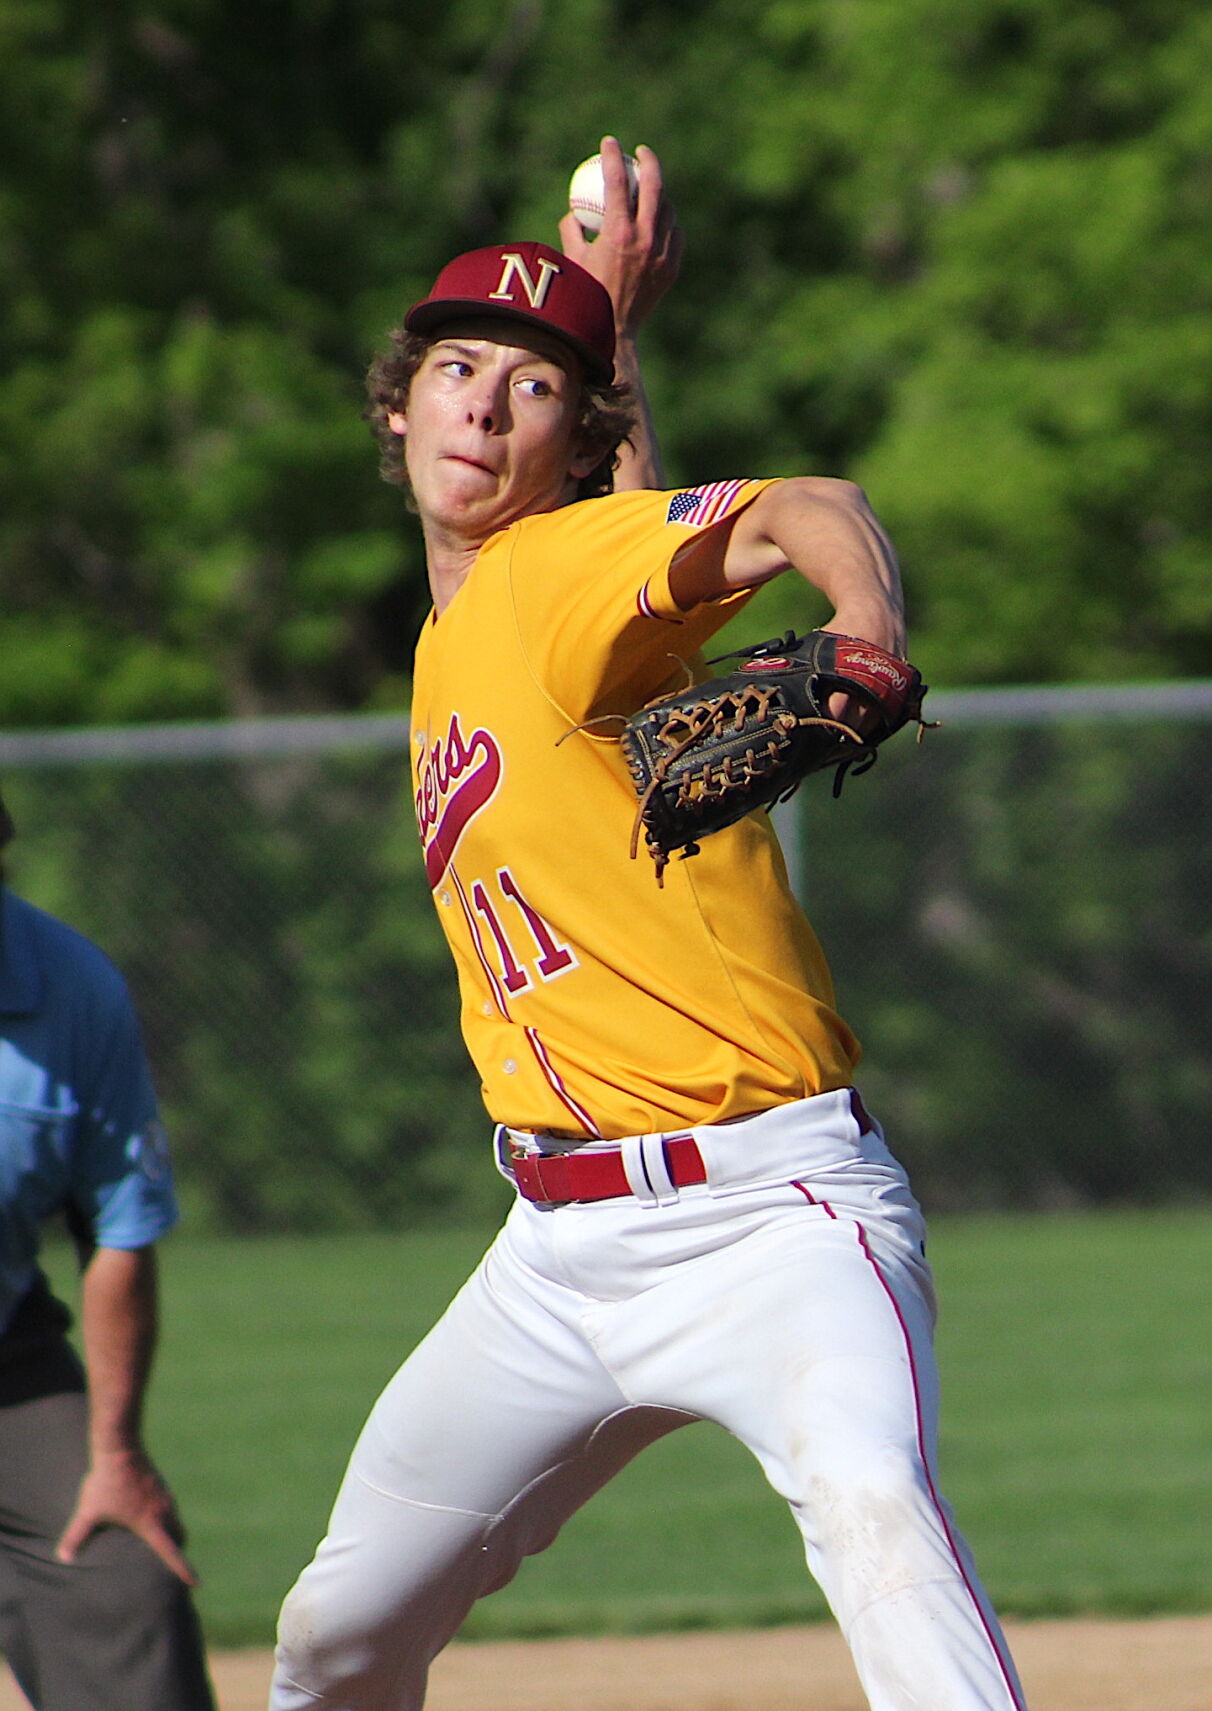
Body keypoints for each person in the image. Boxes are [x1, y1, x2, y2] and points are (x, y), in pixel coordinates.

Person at [270, 139, 1029, 1711]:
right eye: (457, 368)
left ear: (567, 440)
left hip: (775, 1219)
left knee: (877, 1510)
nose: (480, 405)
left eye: (527, 388)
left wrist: (866, 634)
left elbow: (812, 505)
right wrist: (604, 340)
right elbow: (646, 543)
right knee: (337, 1634)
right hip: (556, 1254)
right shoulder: (472, 619)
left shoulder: (543, 571)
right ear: (396, 408)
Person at [0, 788, 216, 1711]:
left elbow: (118, 1230)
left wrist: (114, 1454)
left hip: (10, 1367)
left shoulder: (66, 986)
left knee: (124, 1582)